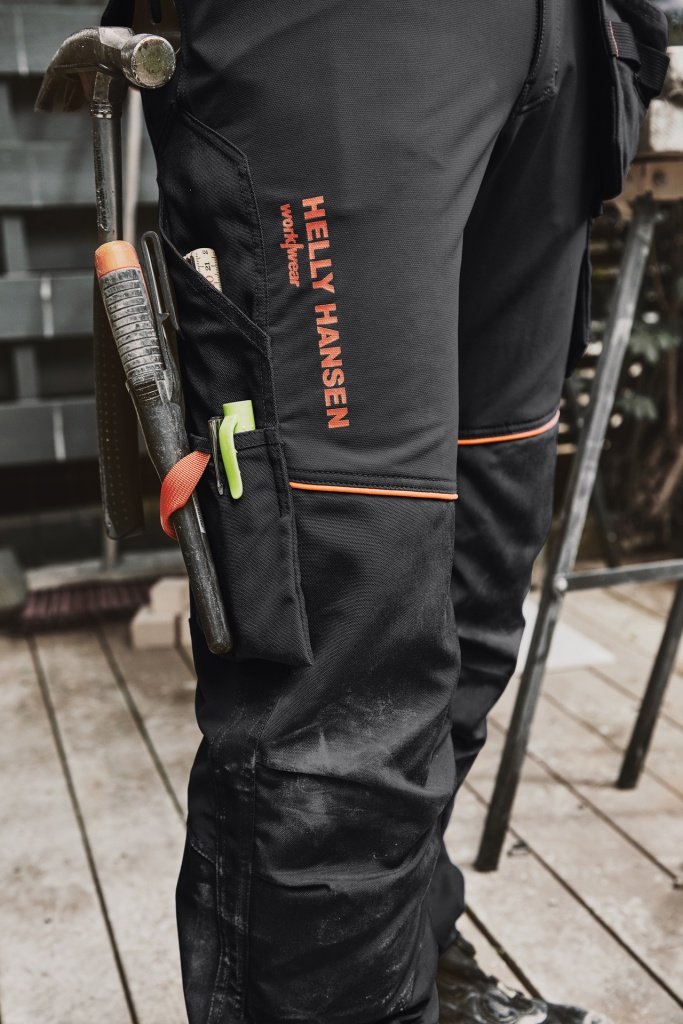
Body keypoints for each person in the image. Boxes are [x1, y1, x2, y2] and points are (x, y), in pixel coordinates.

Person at [102, 1, 669, 1021]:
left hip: (571, 42)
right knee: (341, 673)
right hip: (344, 38)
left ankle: (416, 969)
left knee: (470, 612)